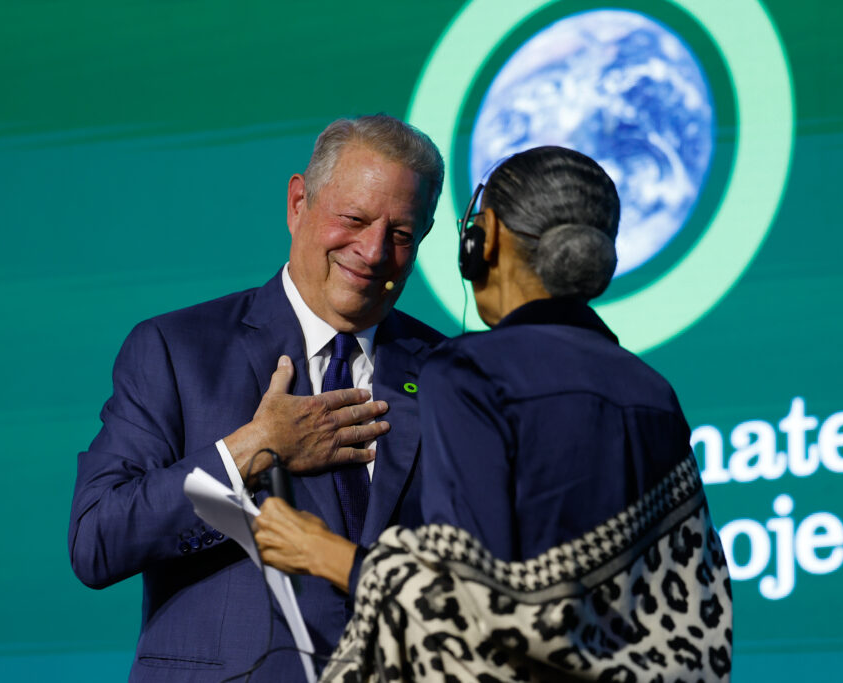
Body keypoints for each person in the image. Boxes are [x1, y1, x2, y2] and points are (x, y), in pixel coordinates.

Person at [255, 146, 732, 681]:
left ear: (486, 239)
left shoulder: (469, 372)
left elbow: (467, 605)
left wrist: (320, 552)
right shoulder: (653, 392)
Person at [67, 114, 446, 682]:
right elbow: (97, 541)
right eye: (353, 219)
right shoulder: (177, 350)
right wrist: (250, 451)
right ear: (298, 203)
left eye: (400, 234)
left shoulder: (452, 376)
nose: (372, 252)